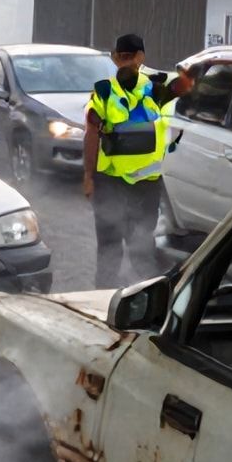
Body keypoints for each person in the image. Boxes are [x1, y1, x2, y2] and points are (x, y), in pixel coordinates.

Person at [83, 33, 193, 289]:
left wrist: (88, 177)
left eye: (125, 57)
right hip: (138, 184)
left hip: (117, 183)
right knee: (137, 247)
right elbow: (189, 85)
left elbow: (91, 136)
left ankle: (109, 301)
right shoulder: (157, 90)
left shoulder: (104, 91)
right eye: (125, 57)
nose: (125, 62)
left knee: (116, 248)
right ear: (140, 57)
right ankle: (143, 301)